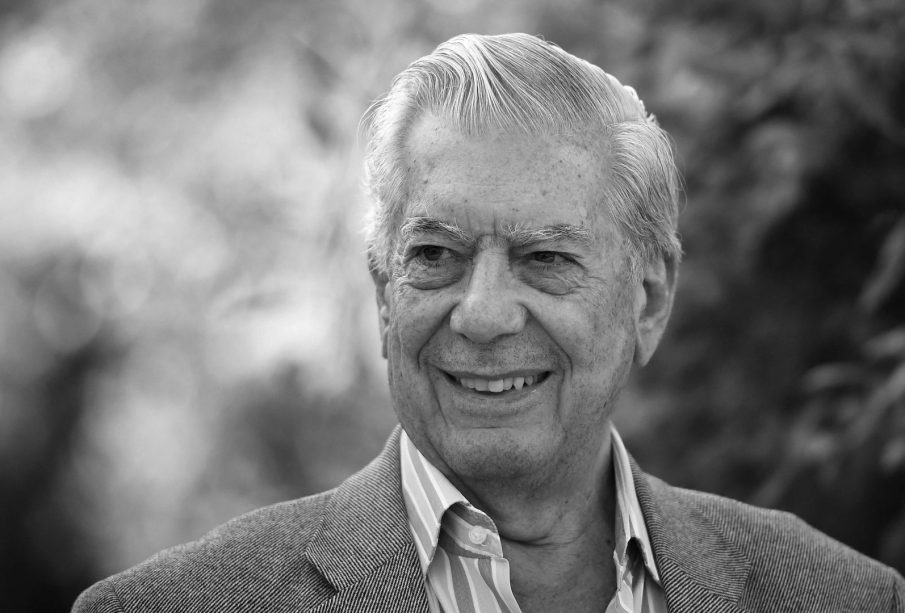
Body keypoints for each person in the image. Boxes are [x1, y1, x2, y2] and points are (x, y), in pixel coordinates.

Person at [74, 33, 904, 613]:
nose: (480, 314)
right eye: (435, 254)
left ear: (649, 300)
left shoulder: (842, 598)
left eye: (545, 257)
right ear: (383, 293)